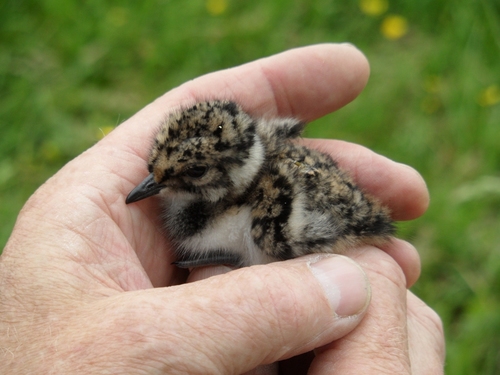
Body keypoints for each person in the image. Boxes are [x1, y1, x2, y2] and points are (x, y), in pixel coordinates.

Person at [0, 43, 444, 374]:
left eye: (185, 176)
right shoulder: (221, 186)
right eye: (157, 168)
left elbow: (295, 225)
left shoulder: (270, 210)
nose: (153, 186)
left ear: (226, 178)